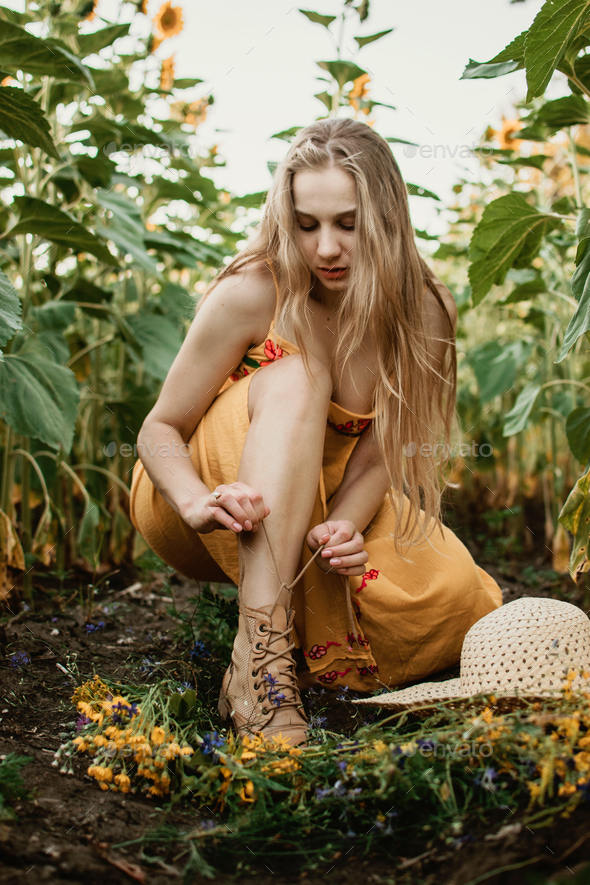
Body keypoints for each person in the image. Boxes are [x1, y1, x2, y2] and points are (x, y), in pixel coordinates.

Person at [129, 117, 502, 747]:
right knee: (300, 372)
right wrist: (195, 501)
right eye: (307, 226)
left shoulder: (426, 310)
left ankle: (296, 633)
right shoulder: (252, 291)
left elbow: (386, 450)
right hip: (203, 493)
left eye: (348, 224)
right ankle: (262, 660)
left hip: (319, 497)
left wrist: (348, 525)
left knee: (454, 601)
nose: (326, 248)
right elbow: (159, 427)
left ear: (388, 218)